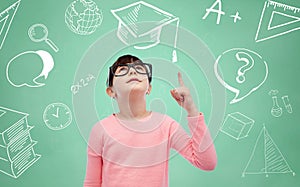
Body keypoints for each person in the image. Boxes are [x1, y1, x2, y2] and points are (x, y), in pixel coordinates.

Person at [84, 54, 217, 187]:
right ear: (111, 91)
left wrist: (191, 110)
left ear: (149, 88)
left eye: (140, 69)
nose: (132, 71)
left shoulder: (166, 125)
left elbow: (207, 163)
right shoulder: (100, 130)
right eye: (123, 70)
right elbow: (92, 182)